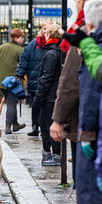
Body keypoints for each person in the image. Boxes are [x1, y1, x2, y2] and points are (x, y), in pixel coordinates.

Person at [50, 0, 102, 185]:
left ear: (82, 1)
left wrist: (58, 119)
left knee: (86, 183)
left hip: (86, 123)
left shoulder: (84, 35)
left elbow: (71, 82)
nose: (75, 3)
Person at [64, 0, 102, 204]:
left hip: (98, 143)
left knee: (92, 200)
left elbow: (93, 100)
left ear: (91, 26)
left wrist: (87, 138)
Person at [35, 24, 63, 166]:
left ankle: (56, 156)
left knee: (49, 125)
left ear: (49, 36)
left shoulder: (51, 53)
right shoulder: (54, 51)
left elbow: (47, 77)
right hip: (51, 94)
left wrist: (39, 95)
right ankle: (48, 154)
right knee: (43, 123)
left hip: (50, 96)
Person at [16, 21, 50, 136]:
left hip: (48, 82)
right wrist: (20, 74)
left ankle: (44, 127)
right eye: (44, 28)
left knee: (46, 105)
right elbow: (24, 59)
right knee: (35, 105)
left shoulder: (55, 43)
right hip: (34, 80)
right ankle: (35, 127)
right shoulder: (33, 44)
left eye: (48, 28)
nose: (45, 31)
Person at [0, 28, 25, 134]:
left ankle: (15, 124)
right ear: (16, 38)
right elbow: (23, 65)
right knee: (11, 103)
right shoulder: (20, 50)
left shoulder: (0, 48)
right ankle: (8, 126)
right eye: (21, 37)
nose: (22, 40)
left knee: (10, 100)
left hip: (0, 80)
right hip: (12, 81)